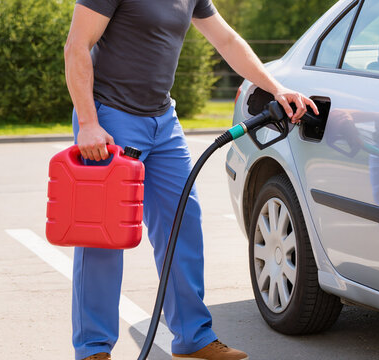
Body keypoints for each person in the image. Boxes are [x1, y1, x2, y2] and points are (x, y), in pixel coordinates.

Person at [63, 1, 318, 359]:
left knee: (183, 224)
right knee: (103, 236)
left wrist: (276, 88)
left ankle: (192, 337)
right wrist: (89, 122)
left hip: (162, 121)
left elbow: (226, 41)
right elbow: (76, 45)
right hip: (111, 118)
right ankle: (93, 350)